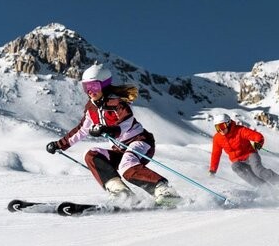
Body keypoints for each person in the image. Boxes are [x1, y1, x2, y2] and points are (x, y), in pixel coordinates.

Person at [46, 64, 180, 206]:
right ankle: (121, 192)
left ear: (104, 85)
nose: (91, 91)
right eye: (87, 87)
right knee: (91, 154)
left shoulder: (116, 102)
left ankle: (165, 191)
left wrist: (108, 130)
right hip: (119, 149)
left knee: (127, 166)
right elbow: (81, 130)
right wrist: (59, 145)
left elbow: (126, 122)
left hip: (140, 142)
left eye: (94, 87)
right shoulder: (91, 108)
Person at [208, 113, 279, 188]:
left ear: (228, 123)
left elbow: (258, 136)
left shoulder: (240, 130)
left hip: (250, 155)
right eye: (217, 128)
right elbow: (216, 154)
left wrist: (258, 143)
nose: (220, 130)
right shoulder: (217, 138)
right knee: (236, 167)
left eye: (222, 126)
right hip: (237, 161)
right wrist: (212, 170)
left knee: (257, 170)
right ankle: (264, 188)